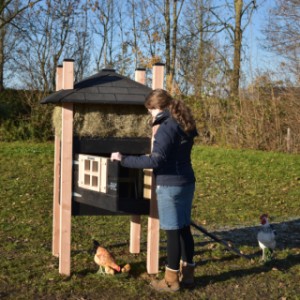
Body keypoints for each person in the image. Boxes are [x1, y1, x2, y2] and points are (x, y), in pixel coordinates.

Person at [110, 88, 198, 292]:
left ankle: (170, 281)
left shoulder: (166, 127)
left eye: (150, 110)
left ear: (157, 107)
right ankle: (189, 275)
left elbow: (156, 159)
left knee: (173, 232)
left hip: (170, 185)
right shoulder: (182, 121)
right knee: (184, 227)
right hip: (187, 182)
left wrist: (123, 159)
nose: (149, 114)